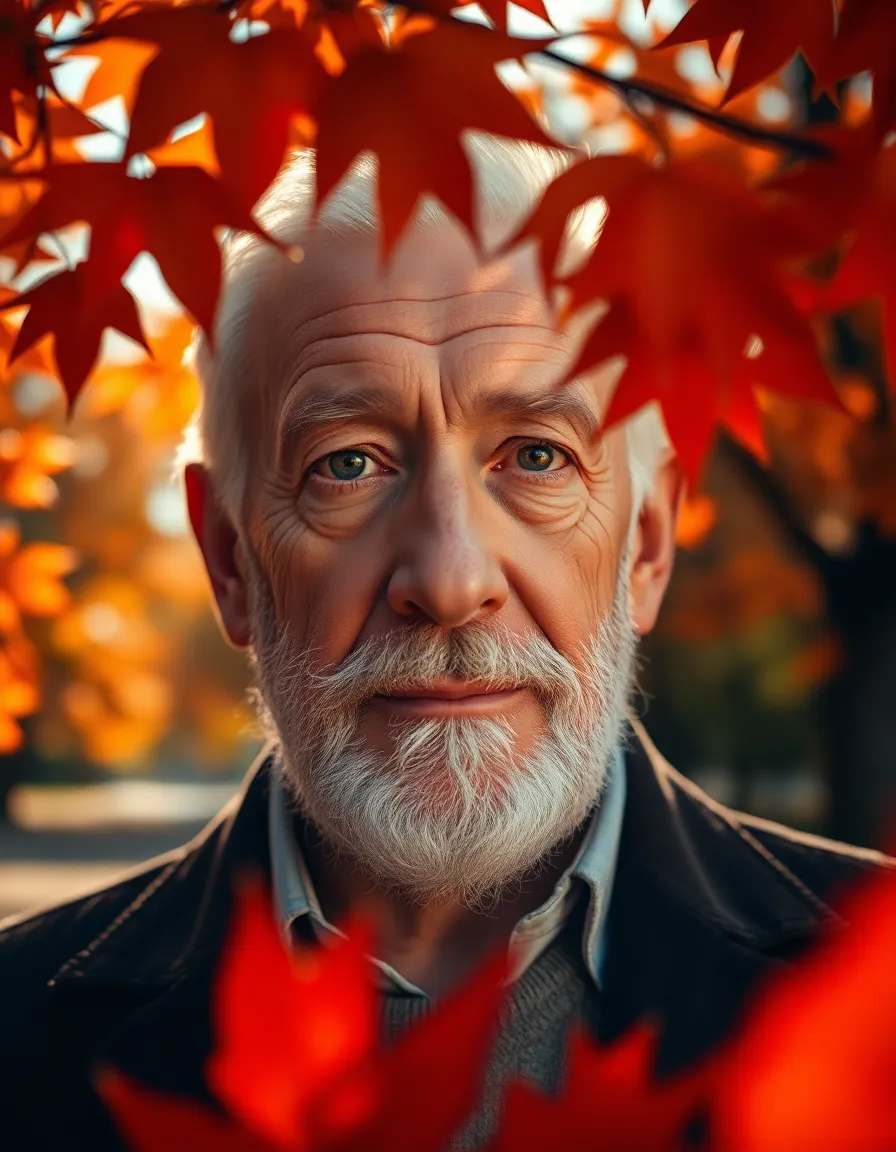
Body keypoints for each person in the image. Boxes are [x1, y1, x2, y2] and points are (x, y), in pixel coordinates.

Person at [0, 135, 890, 1151]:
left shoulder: (880, 992)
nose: (449, 581)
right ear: (229, 560)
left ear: (644, 545)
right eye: (347, 465)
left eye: (537, 455)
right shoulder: (17, 1040)